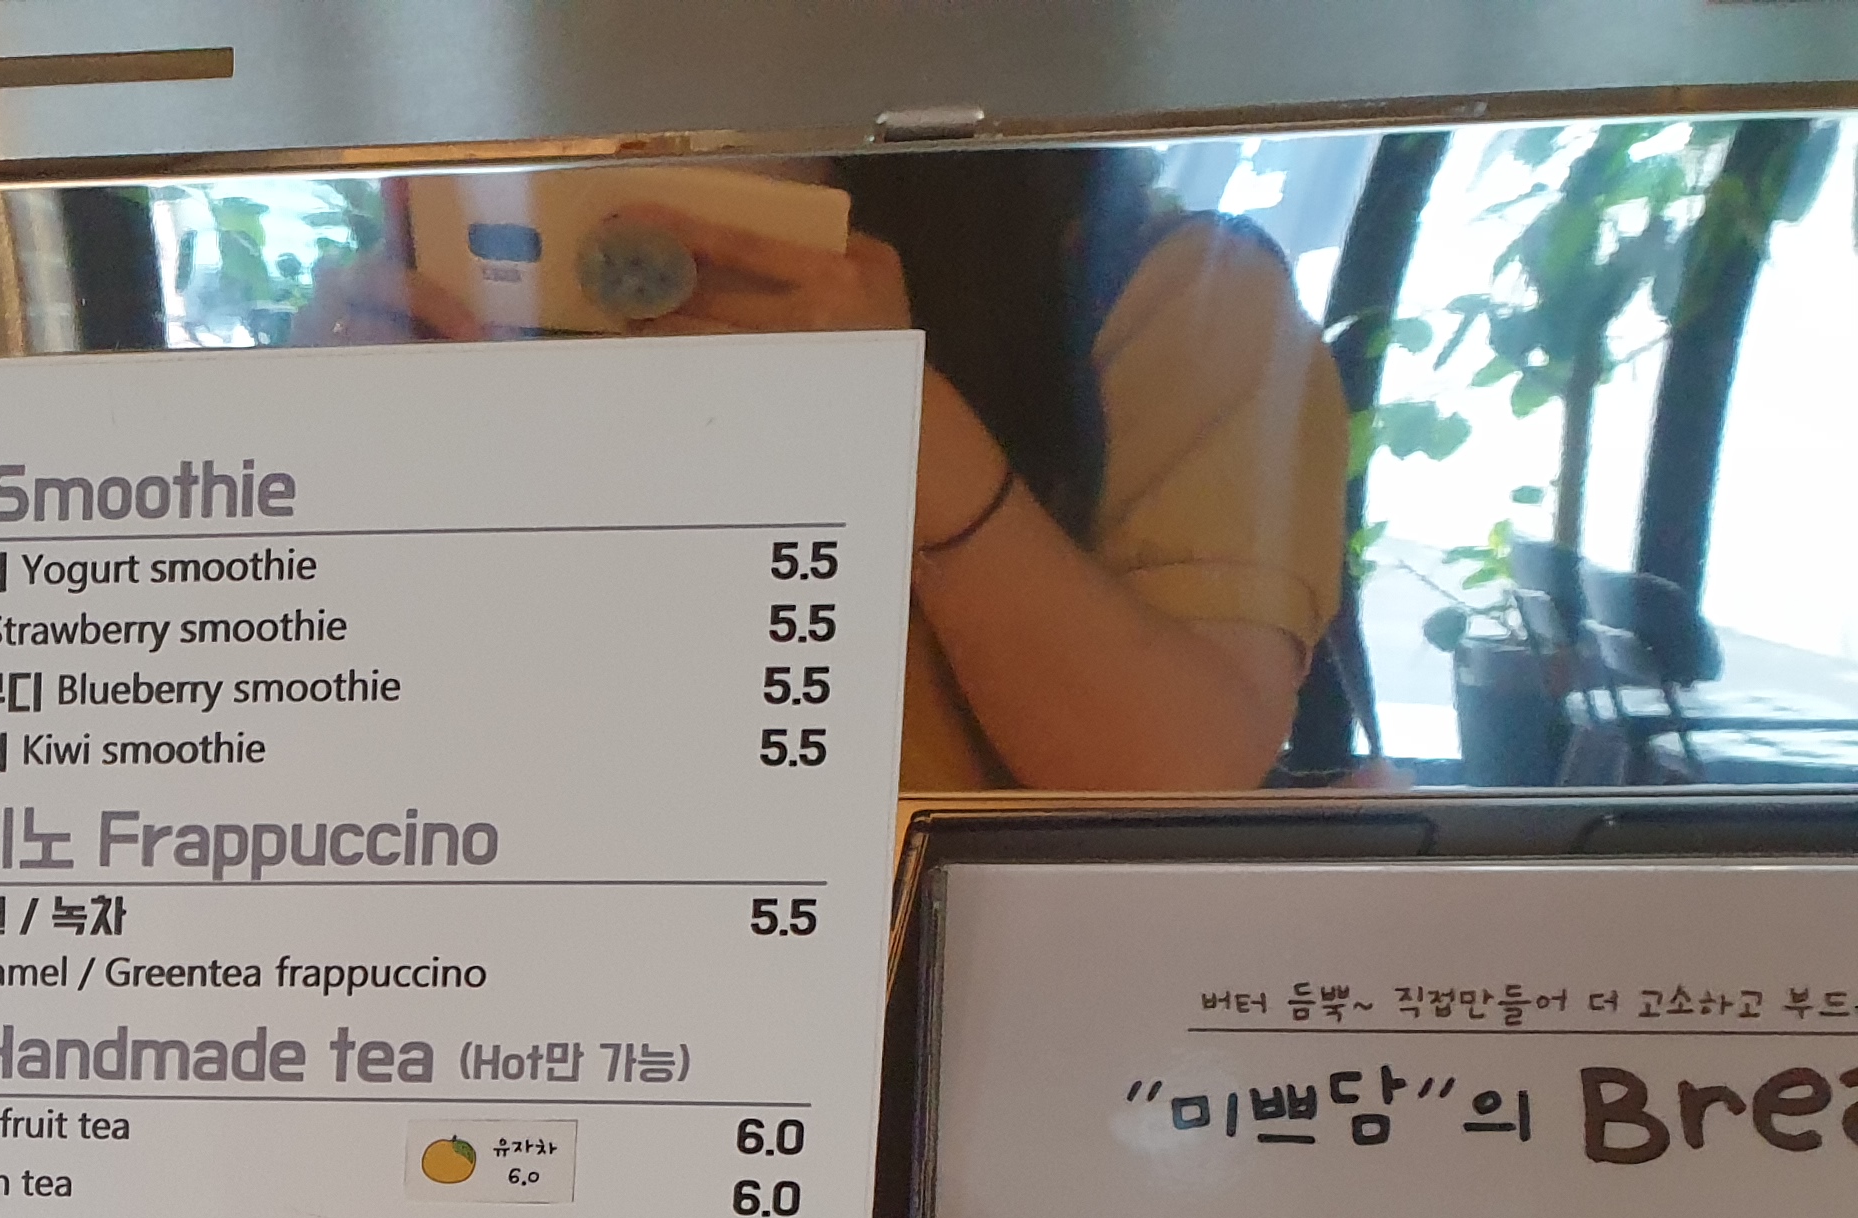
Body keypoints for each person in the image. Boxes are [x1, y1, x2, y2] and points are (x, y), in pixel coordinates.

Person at [330, 155, 1350, 791]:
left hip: (953, 1016)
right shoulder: (482, 266)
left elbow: (1178, 771)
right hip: (568, 1007)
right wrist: (326, 465)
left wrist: (901, 428)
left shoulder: (1180, 291)